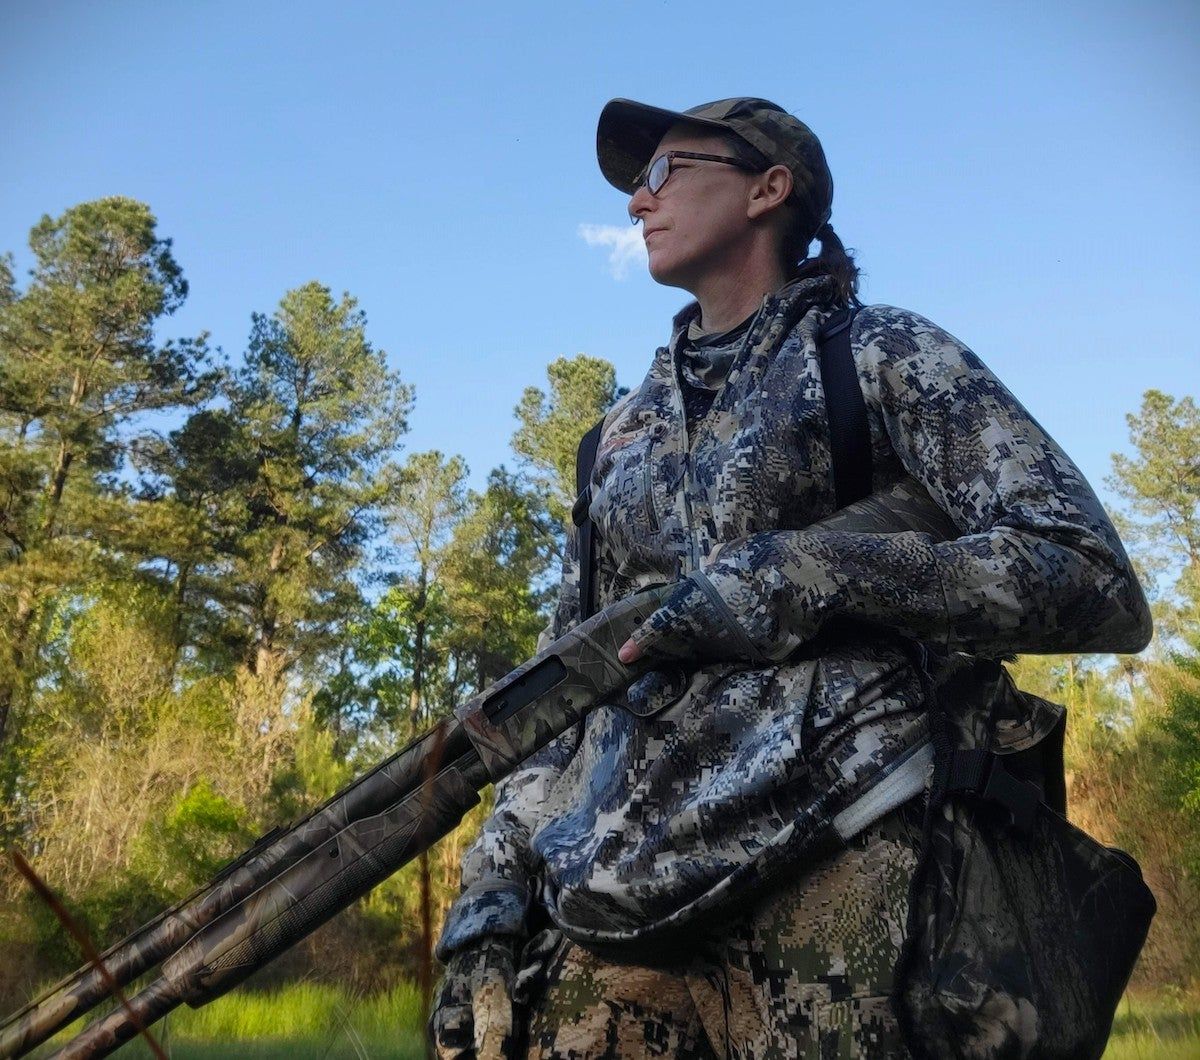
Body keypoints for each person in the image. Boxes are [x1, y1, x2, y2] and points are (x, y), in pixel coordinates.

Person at [429, 97, 1152, 1058]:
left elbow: (1092, 577)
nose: (637, 204)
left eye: (663, 172)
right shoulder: (613, 439)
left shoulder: (879, 355)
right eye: (633, 186)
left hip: (851, 851)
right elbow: (570, 692)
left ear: (770, 189)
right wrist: (492, 886)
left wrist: (813, 570)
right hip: (618, 904)